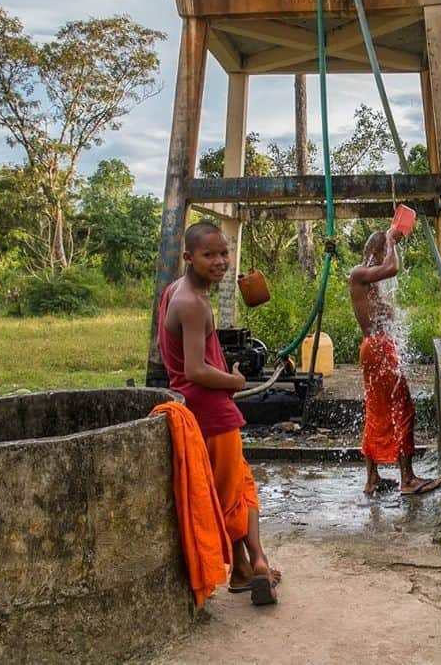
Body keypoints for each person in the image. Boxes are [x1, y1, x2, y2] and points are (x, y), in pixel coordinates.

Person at [157, 220, 279, 606]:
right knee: (238, 493)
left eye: (224, 253)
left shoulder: (176, 291)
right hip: (211, 411)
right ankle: (258, 563)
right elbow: (194, 370)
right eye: (209, 255)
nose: (220, 261)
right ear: (189, 257)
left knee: (230, 488)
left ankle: (244, 570)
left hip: (196, 410)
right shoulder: (192, 303)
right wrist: (233, 382)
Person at [350, 228, 441, 497]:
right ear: (377, 253)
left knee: (377, 410)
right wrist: (392, 240)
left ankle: (373, 479)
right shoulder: (359, 273)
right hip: (378, 348)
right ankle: (407, 479)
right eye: (384, 251)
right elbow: (393, 268)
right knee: (402, 409)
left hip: (375, 348)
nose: (387, 255)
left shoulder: (368, 282)